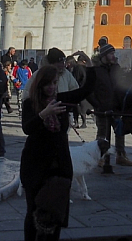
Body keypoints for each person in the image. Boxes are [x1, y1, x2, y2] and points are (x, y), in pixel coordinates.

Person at [20, 64, 96, 241]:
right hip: (36, 167)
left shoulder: (60, 100)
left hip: (59, 167)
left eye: (54, 83)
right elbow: (27, 128)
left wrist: (90, 66)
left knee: (57, 213)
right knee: (33, 211)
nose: (52, 87)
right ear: (40, 85)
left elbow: (85, 90)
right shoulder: (30, 103)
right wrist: (44, 114)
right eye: (48, 84)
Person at [87, 43, 132, 167]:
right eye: (111, 54)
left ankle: (121, 155)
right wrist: (97, 105)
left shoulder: (116, 68)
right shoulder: (95, 70)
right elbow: (88, 91)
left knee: (120, 132)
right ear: (104, 55)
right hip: (102, 108)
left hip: (116, 107)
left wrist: (122, 103)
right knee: (102, 133)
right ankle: (100, 157)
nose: (113, 56)